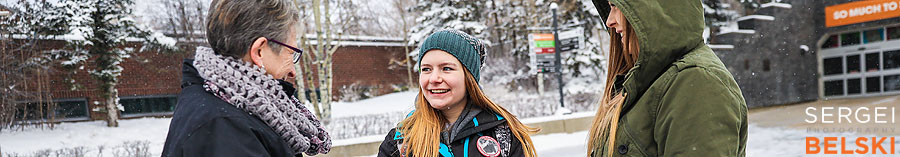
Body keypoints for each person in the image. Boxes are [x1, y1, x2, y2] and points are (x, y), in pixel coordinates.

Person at [161, 0, 331, 156]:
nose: (293, 71)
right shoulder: (225, 128)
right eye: (291, 53)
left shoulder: (222, 110)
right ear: (259, 51)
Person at [587, 0, 748, 156]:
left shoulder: (697, 82)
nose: (609, 21)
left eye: (615, 6)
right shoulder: (650, 81)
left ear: (654, 7)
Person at [377, 30, 540, 157]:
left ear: (469, 77)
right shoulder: (400, 140)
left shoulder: (503, 135)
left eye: (446, 68)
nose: (434, 78)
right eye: (426, 69)